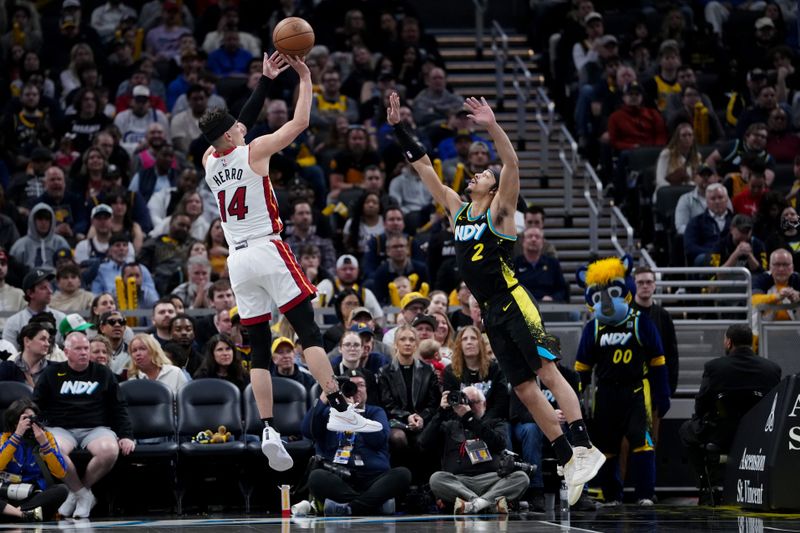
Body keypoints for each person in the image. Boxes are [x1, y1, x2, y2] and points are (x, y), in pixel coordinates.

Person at [386, 92, 604, 505]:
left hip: (514, 301)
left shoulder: (500, 211)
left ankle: (584, 445)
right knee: (523, 388)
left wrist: (491, 125)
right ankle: (566, 457)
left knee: (548, 373)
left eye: (483, 173)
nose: (476, 175)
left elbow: (512, 164)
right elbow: (424, 168)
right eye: (477, 173)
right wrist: (399, 128)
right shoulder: (458, 209)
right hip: (490, 312)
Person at [199, 52, 381, 473]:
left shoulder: (210, 162)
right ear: (229, 136)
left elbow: (237, 124)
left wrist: (263, 81)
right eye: (236, 128)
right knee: (308, 330)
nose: (243, 127)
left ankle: (267, 428)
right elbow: (299, 123)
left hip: (237, 261)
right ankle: (338, 403)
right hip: (268, 248)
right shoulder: (255, 152)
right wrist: (305, 77)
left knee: (258, 348)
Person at [33, 331, 135, 519]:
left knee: (109, 450)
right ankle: (83, 495)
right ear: (66, 351)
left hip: (96, 428)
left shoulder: (103, 373)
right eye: (78, 348)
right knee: (53, 449)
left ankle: (76, 493)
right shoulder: (52, 373)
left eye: (86, 348)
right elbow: (36, 404)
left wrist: (126, 435)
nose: (83, 352)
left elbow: (119, 408)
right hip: (61, 428)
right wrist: (36, 427)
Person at [679, 324, 781, 503]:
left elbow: (701, 403)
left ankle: (707, 486)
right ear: (751, 343)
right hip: (759, 435)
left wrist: (701, 417)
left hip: (721, 434)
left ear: (729, 342)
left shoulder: (714, 367)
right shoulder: (772, 369)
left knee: (686, 430)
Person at [302, 369, 411, 517]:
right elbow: (307, 430)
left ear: (367, 389)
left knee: (403, 474)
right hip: (341, 478)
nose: (356, 390)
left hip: (374, 478)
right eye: (350, 386)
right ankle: (374, 505)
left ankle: (349, 508)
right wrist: (325, 396)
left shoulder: (375, 412)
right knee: (316, 477)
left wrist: (352, 415)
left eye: (361, 385)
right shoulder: (329, 413)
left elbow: (378, 440)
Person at [420, 386, 529, 514]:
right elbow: (424, 442)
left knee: (521, 477)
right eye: (465, 401)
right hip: (459, 482)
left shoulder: (495, 423)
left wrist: (470, 418)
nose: (469, 406)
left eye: (474, 402)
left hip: (491, 481)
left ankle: (473, 505)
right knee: (436, 479)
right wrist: (440, 412)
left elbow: (500, 444)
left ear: (484, 404)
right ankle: (485, 503)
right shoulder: (450, 426)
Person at [0, 398, 69, 523]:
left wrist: (44, 445)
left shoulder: (46, 437)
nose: (30, 423)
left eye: (32, 418)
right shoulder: (5, 438)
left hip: (33, 497)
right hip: (7, 495)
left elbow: (61, 473)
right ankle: (23, 515)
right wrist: (16, 436)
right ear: (14, 422)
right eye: (25, 419)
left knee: (62, 490)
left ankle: (15, 514)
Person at [442, 325, 510, 421]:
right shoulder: (450, 372)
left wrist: (481, 424)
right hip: (461, 422)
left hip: (492, 422)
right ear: (459, 345)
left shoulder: (495, 369)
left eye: (473, 338)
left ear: (481, 344)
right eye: (464, 339)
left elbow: (500, 404)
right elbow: (450, 405)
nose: (469, 342)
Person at [751, 248, 800, 321]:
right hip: (766, 327)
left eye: (785, 264)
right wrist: (776, 297)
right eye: (777, 264)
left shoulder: (797, 279)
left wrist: (798, 297)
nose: (781, 269)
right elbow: (753, 300)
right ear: (770, 267)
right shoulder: (763, 279)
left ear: (792, 268)